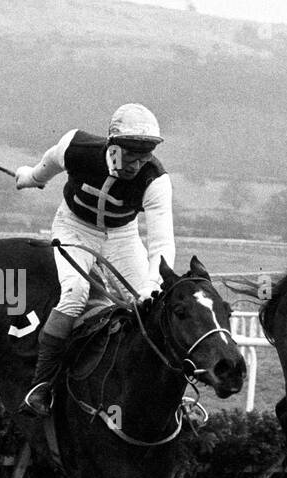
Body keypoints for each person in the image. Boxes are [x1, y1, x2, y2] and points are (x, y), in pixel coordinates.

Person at [13, 103, 176, 416]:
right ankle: (41, 387)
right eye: (130, 155)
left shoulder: (156, 179)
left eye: (145, 156)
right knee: (75, 292)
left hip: (121, 236)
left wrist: (152, 284)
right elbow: (49, 163)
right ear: (112, 145)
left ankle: (168, 397)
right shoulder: (77, 147)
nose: (137, 164)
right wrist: (31, 177)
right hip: (74, 227)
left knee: (151, 305)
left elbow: (162, 243)